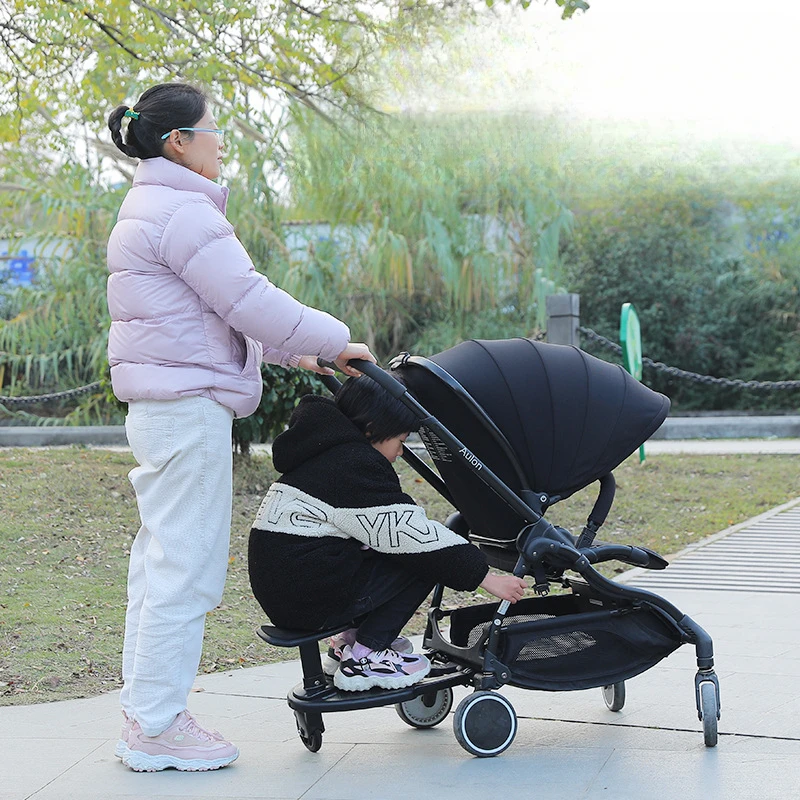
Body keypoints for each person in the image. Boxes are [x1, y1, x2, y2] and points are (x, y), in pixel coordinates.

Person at [106, 82, 375, 772]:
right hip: (188, 410)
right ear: (178, 142)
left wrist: (303, 351)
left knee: (159, 563)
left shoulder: (152, 206)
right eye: (211, 129)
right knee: (185, 569)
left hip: (165, 409)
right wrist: (336, 336)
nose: (221, 140)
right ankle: (159, 727)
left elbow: (215, 314)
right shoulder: (184, 215)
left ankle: (146, 713)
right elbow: (249, 301)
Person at [248, 373, 528, 692]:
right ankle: (367, 654)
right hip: (308, 596)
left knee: (390, 548)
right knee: (423, 558)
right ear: (373, 429)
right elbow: (411, 534)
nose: (400, 453)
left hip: (289, 591)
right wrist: (486, 578)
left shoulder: (321, 451)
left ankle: (349, 641)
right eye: (401, 440)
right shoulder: (353, 463)